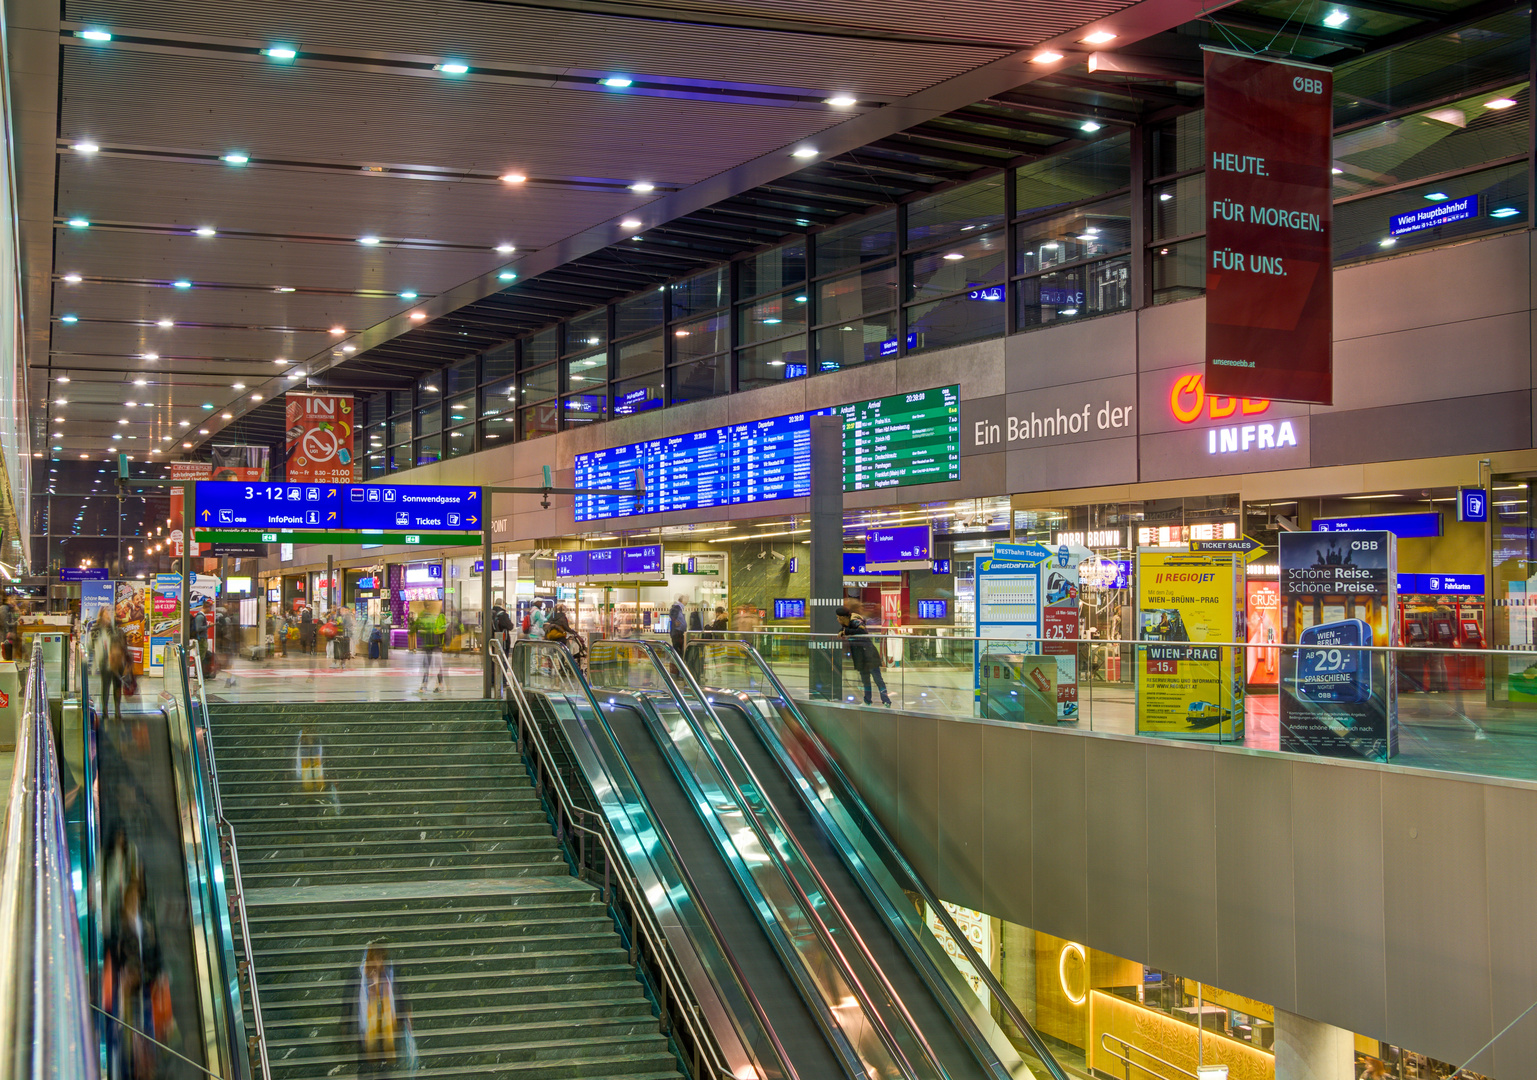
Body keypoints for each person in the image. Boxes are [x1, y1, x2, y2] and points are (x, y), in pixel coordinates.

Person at [837, 605, 890, 707]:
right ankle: (867, 700)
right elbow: (843, 630)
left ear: (843, 617)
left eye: (838, 617)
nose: (837, 619)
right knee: (865, 680)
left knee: (877, 679)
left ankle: (886, 700)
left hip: (869, 655)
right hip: (860, 656)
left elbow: (862, 631)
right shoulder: (848, 625)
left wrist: (845, 632)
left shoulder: (855, 621)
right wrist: (842, 631)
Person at [94, 608, 129, 721]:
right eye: (106, 614)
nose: (109, 616)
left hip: (117, 662)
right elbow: (94, 645)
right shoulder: (98, 630)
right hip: (105, 662)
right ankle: (105, 711)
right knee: (106, 686)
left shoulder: (116, 630)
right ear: (101, 616)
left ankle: (117, 710)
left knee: (117, 686)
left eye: (110, 614)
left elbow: (123, 646)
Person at [416, 608, 446, 692]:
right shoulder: (430, 617)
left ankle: (429, 685)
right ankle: (435, 685)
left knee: (430, 665)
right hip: (432, 645)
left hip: (434, 645)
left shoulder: (439, 617)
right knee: (431, 665)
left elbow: (442, 630)